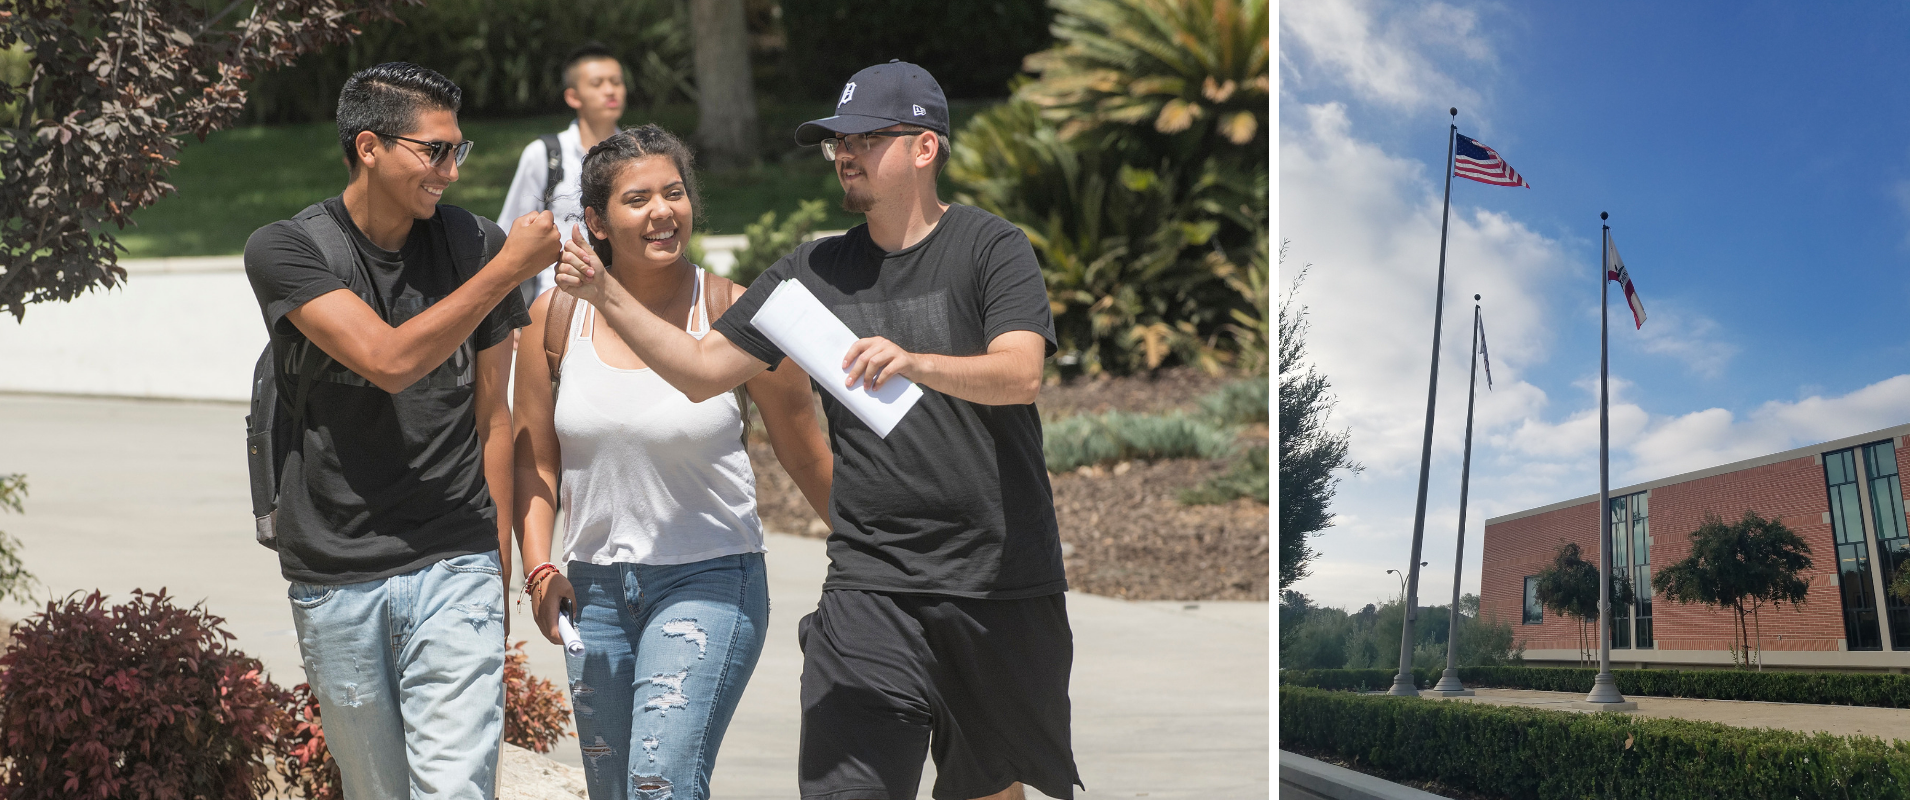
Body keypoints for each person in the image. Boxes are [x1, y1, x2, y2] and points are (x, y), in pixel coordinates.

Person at [554, 62, 1082, 800]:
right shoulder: (814, 271)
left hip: (995, 581)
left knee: (987, 791)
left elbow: (1019, 373)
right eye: (838, 140)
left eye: (866, 138)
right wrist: (605, 292)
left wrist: (917, 361)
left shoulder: (991, 248)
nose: (845, 153)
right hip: (870, 584)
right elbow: (705, 369)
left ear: (925, 147)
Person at [243, 62, 559, 799]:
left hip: (454, 559)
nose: (451, 171)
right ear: (368, 146)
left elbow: (495, 415)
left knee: (454, 790)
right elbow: (388, 360)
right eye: (435, 151)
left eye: (459, 151)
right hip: (335, 569)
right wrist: (508, 269)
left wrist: (497, 567)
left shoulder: (470, 244)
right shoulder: (287, 250)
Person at [512, 123, 834, 800]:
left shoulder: (733, 312)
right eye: (638, 199)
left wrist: (878, 547)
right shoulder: (556, 315)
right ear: (596, 221)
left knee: (661, 785)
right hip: (593, 592)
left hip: (710, 581)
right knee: (615, 791)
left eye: (675, 193)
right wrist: (540, 567)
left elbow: (804, 450)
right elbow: (534, 459)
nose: (663, 211)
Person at [499, 43, 629, 304]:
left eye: (616, 81)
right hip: (555, 300)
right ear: (573, 97)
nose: (610, 90)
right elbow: (509, 237)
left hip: (625, 297)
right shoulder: (545, 155)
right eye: (597, 83)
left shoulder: (638, 156)